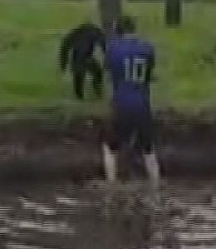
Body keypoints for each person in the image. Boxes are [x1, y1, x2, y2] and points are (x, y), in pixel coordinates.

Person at [101, 15, 160, 186]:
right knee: (149, 149)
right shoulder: (147, 48)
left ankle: (111, 186)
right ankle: (155, 185)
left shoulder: (113, 48)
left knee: (110, 147)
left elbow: (109, 74)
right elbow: (149, 75)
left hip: (122, 104)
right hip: (143, 104)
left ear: (118, 30)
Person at [59, 19, 106, 101]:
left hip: (77, 58)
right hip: (86, 57)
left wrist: (63, 65)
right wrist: (106, 55)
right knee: (97, 73)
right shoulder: (96, 31)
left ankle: (80, 97)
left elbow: (65, 47)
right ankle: (97, 90)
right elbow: (103, 43)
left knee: (78, 79)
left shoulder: (75, 32)